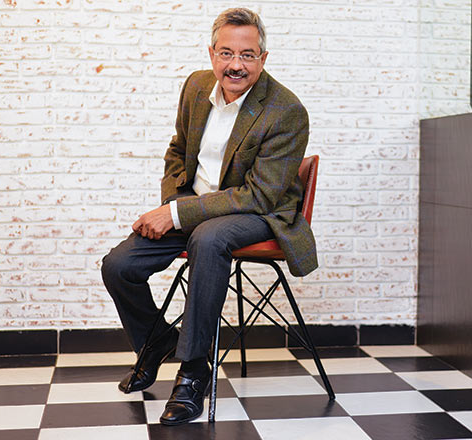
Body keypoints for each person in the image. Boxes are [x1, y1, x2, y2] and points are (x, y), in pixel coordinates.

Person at [101, 7, 317, 426]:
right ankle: (157, 341)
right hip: (196, 209)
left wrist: (176, 214)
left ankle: (194, 371)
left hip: (260, 214)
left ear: (264, 58)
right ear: (212, 53)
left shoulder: (286, 110)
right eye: (226, 53)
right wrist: (174, 204)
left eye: (248, 55)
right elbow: (177, 151)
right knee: (119, 266)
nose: (236, 65)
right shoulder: (197, 86)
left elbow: (260, 195)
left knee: (210, 238)